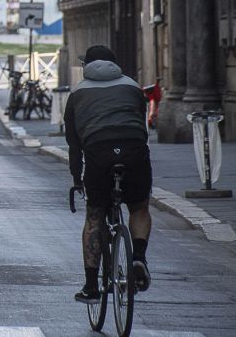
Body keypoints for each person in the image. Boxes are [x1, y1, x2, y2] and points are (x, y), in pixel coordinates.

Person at [64, 44, 153, 302]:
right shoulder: (133, 86)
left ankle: (91, 286)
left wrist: (77, 178)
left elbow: (74, 143)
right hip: (134, 149)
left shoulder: (77, 93)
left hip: (98, 153)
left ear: (86, 67)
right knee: (139, 207)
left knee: (94, 216)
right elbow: (141, 124)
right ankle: (138, 257)